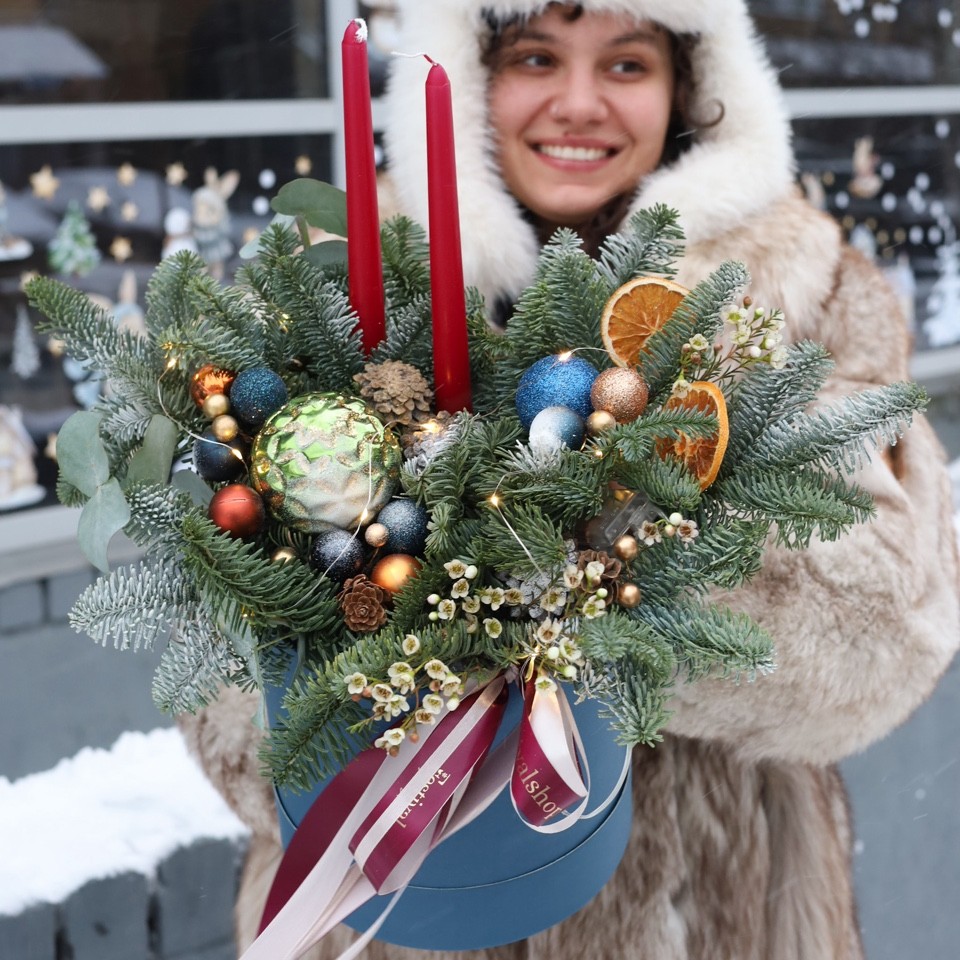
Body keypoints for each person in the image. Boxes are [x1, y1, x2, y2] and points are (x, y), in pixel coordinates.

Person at [179, 2, 960, 958]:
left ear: (689, 87)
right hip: (391, 917)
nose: (580, 104)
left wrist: (589, 578)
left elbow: (888, 629)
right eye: (536, 57)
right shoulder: (331, 291)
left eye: (627, 65)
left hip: (709, 916)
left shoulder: (795, 293)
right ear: (467, 75)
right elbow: (222, 682)